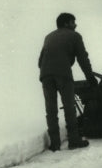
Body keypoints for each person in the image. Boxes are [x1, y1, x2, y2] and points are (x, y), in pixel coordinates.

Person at [39, 12, 96, 151]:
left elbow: (40, 60)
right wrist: (91, 78)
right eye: (73, 22)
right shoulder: (75, 36)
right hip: (63, 74)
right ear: (66, 23)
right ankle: (74, 140)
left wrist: (49, 70)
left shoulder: (48, 36)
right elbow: (83, 59)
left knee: (51, 110)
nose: (75, 25)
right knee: (69, 107)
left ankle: (55, 144)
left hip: (45, 75)